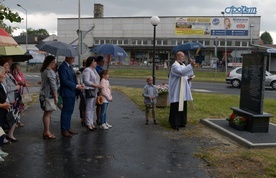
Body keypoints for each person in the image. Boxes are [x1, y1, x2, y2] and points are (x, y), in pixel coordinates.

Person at [58, 56, 85, 138]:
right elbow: (64, 81)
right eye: (72, 58)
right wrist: (76, 86)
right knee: (65, 112)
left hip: (72, 92)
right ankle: (64, 130)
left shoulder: (70, 67)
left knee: (69, 112)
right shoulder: (62, 67)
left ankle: (67, 128)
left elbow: (73, 78)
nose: (73, 60)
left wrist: (79, 84)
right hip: (67, 92)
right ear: (67, 58)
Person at [168, 51, 195, 131]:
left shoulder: (183, 65)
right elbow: (181, 73)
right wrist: (191, 65)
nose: (184, 57)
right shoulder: (174, 66)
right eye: (182, 56)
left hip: (182, 89)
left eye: (184, 56)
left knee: (183, 106)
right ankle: (174, 123)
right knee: (176, 106)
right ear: (178, 57)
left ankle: (182, 122)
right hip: (177, 90)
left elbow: (185, 75)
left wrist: (189, 79)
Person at [0, 58, 20, 142]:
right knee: (5, 120)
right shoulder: (3, 76)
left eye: (9, 64)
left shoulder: (10, 74)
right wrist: (15, 87)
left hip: (12, 99)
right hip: (6, 101)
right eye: (6, 65)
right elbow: (6, 88)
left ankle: (7, 136)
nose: (8, 66)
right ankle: (4, 138)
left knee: (12, 118)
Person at [39, 56, 58, 139]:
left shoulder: (44, 71)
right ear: (50, 62)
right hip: (48, 95)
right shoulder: (50, 72)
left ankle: (46, 131)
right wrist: (56, 96)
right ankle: (47, 131)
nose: (55, 63)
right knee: (48, 113)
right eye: (54, 62)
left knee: (47, 113)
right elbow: (53, 86)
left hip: (44, 94)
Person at [82, 56, 103, 131]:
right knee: (89, 107)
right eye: (94, 61)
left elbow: (97, 78)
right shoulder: (87, 70)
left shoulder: (94, 70)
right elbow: (86, 81)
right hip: (89, 90)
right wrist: (97, 85)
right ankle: (88, 123)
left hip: (94, 90)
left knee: (92, 107)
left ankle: (91, 122)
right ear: (91, 62)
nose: (96, 63)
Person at [10, 62, 26, 127]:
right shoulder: (12, 75)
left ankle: (18, 121)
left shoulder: (20, 74)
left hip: (20, 91)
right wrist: (19, 82)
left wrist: (23, 83)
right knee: (15, 108)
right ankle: (14, 122)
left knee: (19, 107)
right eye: (18, 68)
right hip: (15, 92)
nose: (19, 69)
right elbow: (13, 83)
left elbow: (24, 81)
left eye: (19, 68)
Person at [0, 66, 10, 162]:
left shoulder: (1, 84)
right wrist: (3, 105)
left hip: (2, 113)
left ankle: (0, 150)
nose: (4, 75)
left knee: (1, 132)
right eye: (3, 73)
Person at [77, 59, 86, 127]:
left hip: (84, 89)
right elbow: (78, 79)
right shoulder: (81, 70)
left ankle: (83, 118)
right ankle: (83, 118)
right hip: (82, 89)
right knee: (83, 105)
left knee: (84, 105)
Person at [95, 55, 104, 125]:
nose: (103, 62)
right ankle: (98, 118)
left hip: (102, 88)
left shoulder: (101, 68)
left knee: (101, 104)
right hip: (99, 88)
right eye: (102, 61)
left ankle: (101, 118)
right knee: (99, 104)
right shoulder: (97, 69)